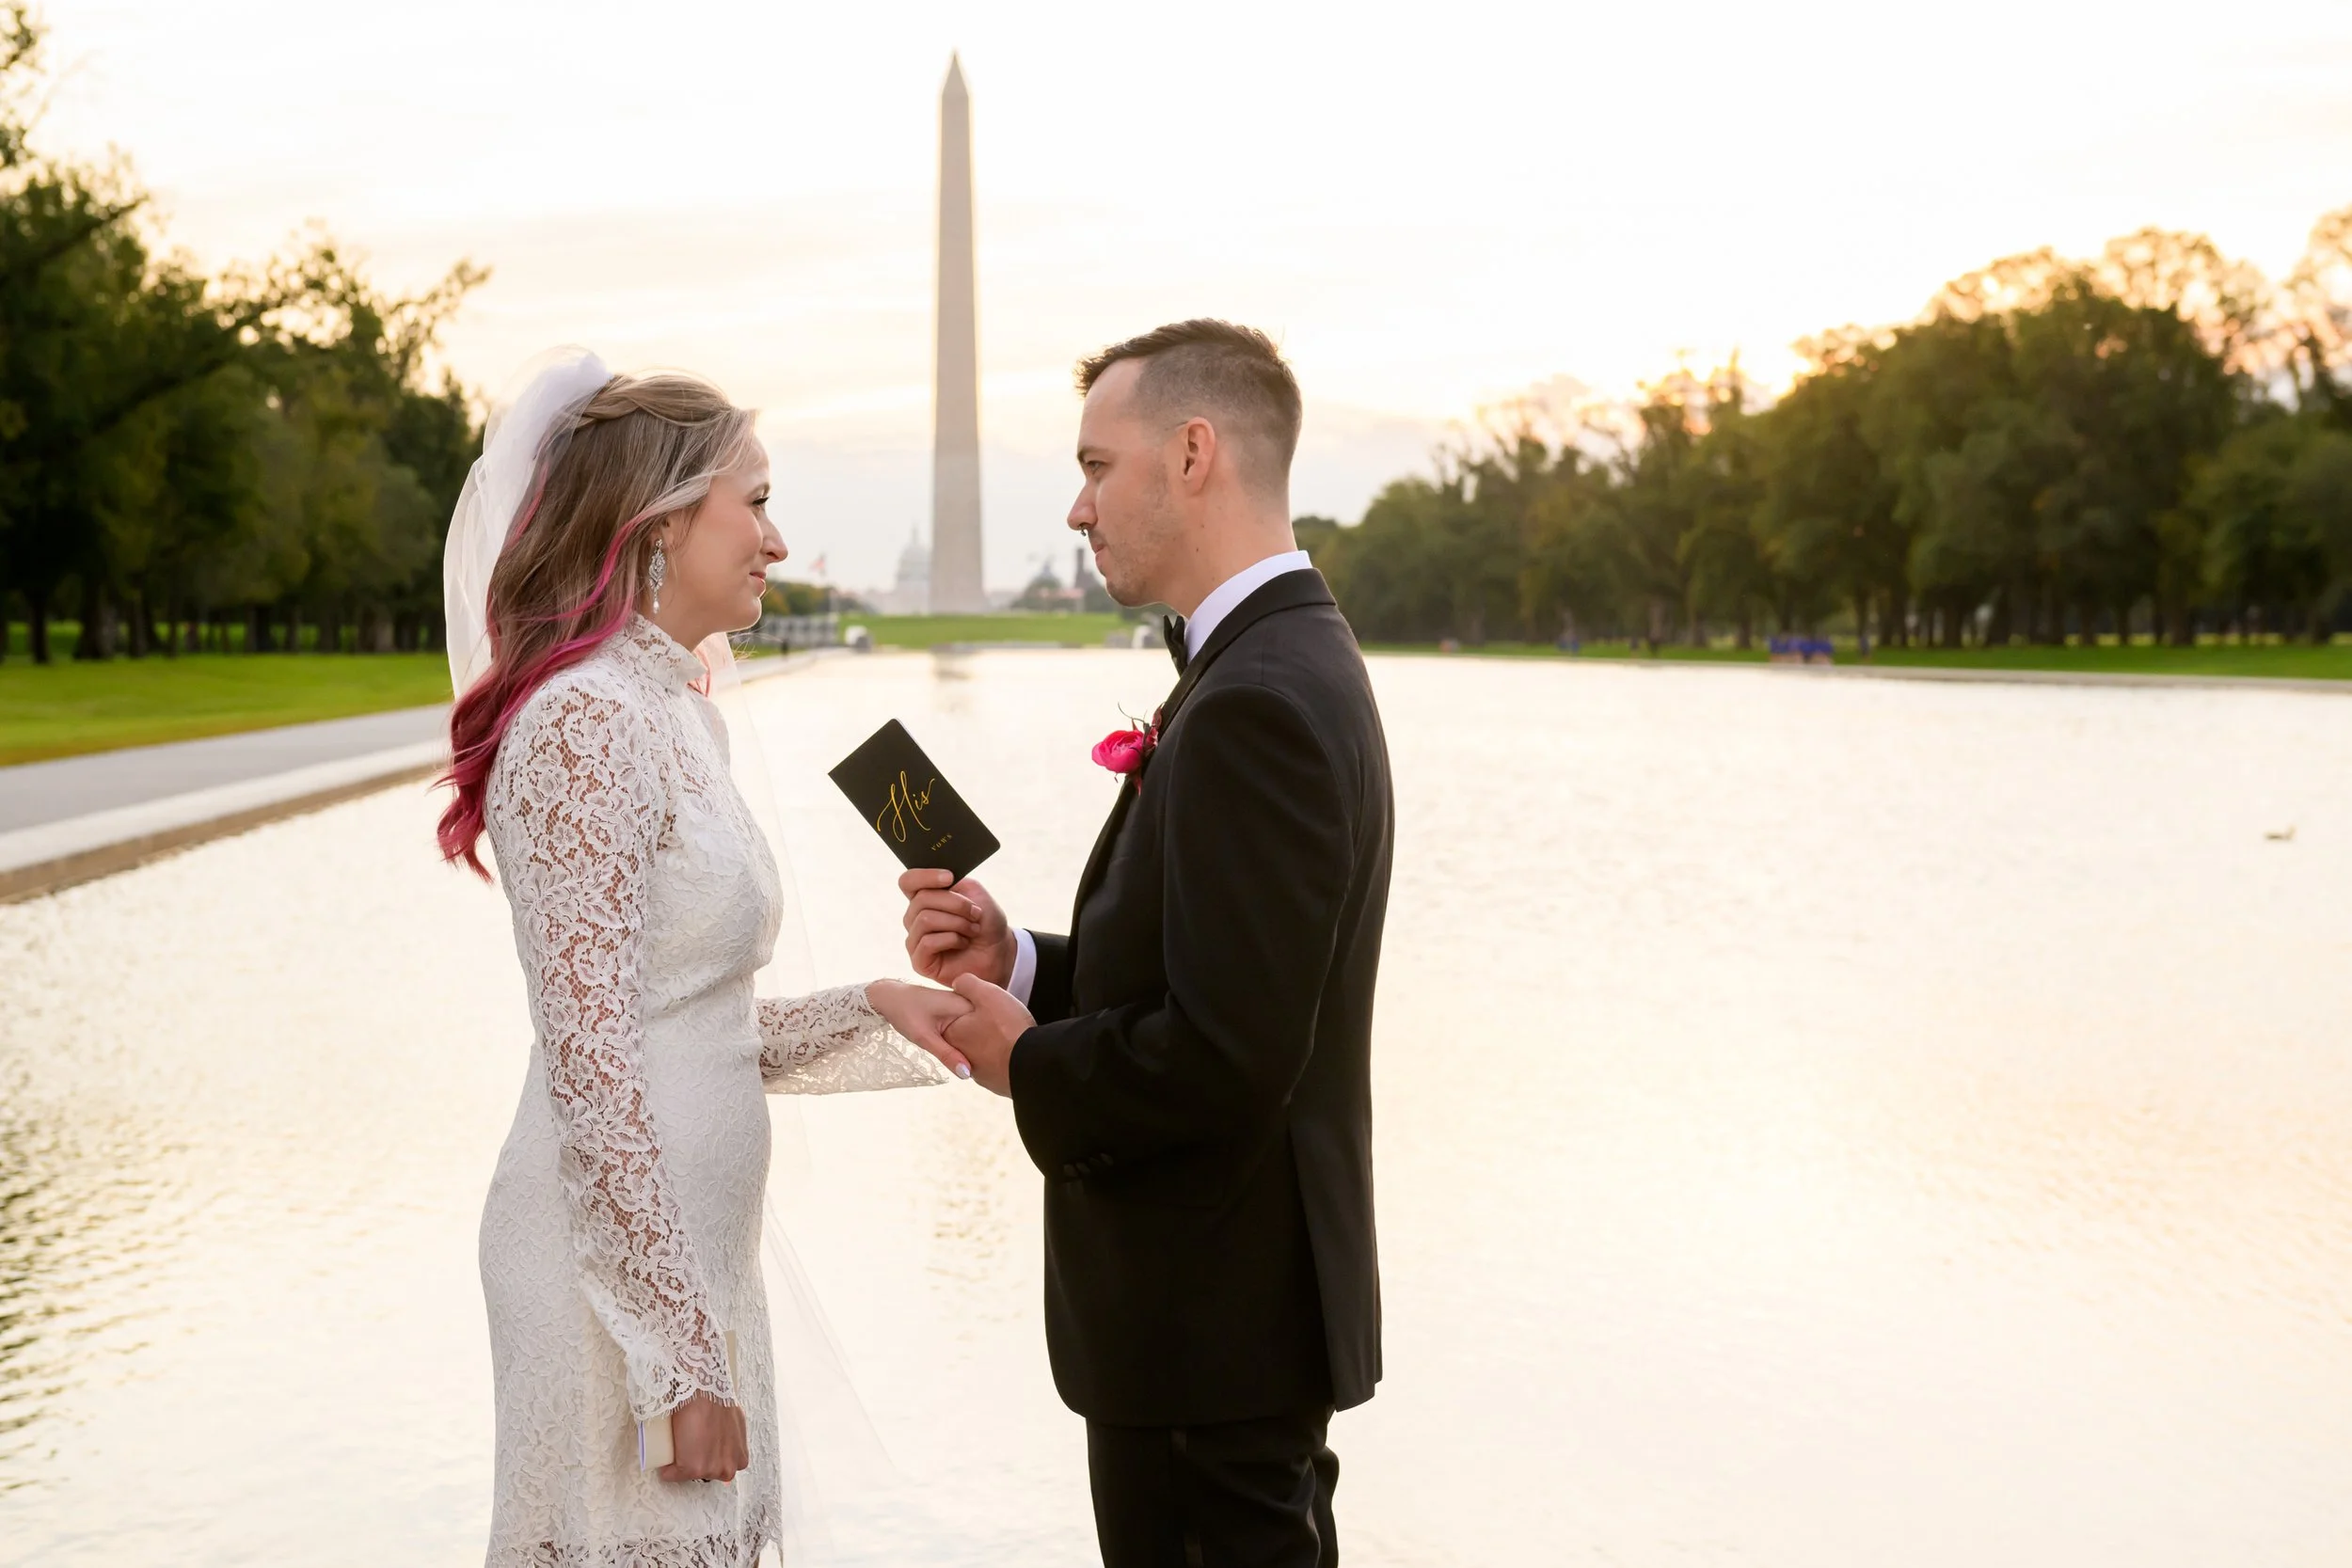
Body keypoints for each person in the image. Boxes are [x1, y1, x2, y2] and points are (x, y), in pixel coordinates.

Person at [437, 350, 974, 1568]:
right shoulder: (582, 721)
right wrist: (677, 1356)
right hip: (603, 1275)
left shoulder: (677, 709)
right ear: (663, 520)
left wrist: (875, 1005)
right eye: (760, 500)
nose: (779, 541)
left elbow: (687, 1016)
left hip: (689, 1257)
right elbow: (592, 1063)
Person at [899, 320, 1395, 1568]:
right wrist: (1016, 962)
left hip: (1207, 1333)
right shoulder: (1262, 664)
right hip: (1226, 1335)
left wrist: (1033, 1064)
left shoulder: (1258, 703)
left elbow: (1230, 1053)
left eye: (1094, 464)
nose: (1076, 507)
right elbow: (1211, 978)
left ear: (1191, 453)